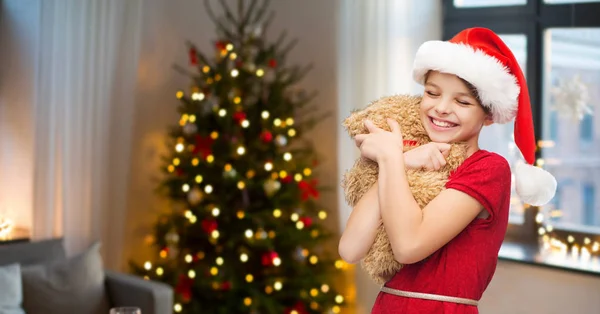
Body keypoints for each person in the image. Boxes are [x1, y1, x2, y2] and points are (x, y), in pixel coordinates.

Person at [338, 27, 557, 313]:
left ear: (488, 115)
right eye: (432, 93)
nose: (441, 108)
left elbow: (409, 245)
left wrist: (391, 158)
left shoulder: (489, 169)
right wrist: (403, 161)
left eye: (462, 101)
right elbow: (350, 249)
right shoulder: (410, 158)